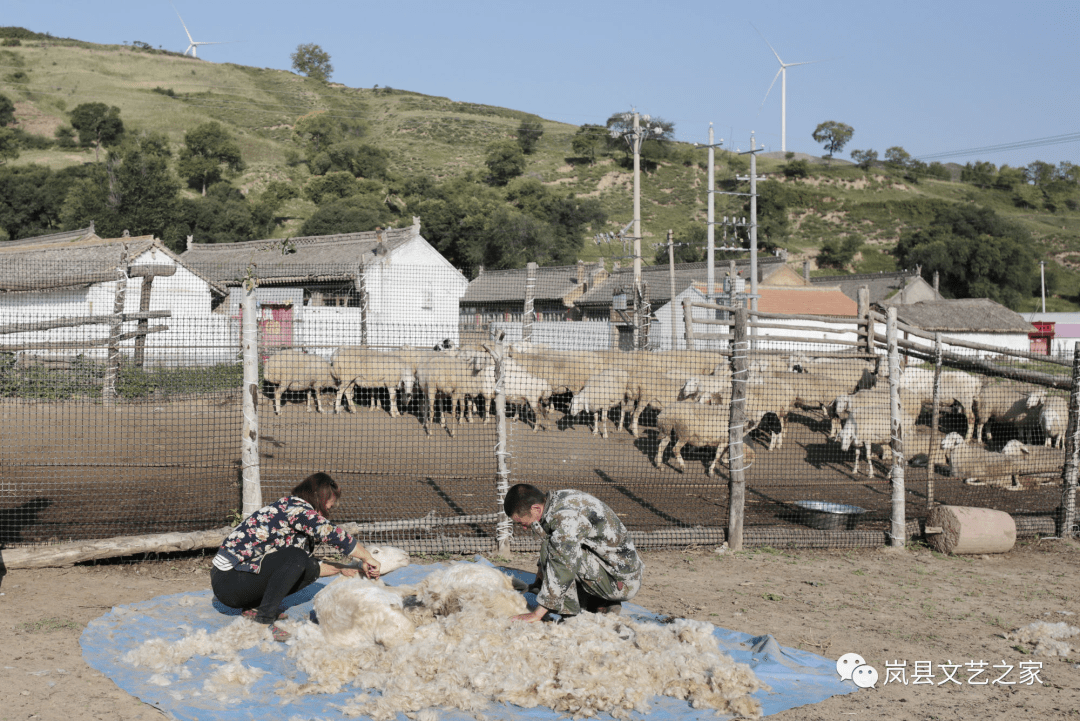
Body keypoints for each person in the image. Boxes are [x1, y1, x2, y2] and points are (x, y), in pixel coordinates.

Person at [210, 472, 380, 641]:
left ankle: (256, 609)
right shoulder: (296, 509)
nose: (329, 511)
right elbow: (330, 532)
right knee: (297, 557)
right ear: (320, 498)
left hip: (238, 582)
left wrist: (347, 569)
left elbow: (310, 566)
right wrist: (367, 557)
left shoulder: (293, 512)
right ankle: (262, 623)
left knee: (306, 564)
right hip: (228, 580)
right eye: (329, 506)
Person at [504, 483, 643, 622]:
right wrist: (541, 576)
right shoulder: (556, 501)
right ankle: (598, 602)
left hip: (621, 582)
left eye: (522, 522)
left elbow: (562, 566)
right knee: (554, 548)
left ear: (535, 509)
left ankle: (571, 615)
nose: (523, 527)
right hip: (610, 569)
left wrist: (536, 614)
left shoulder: (567, 518)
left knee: (558, 555)